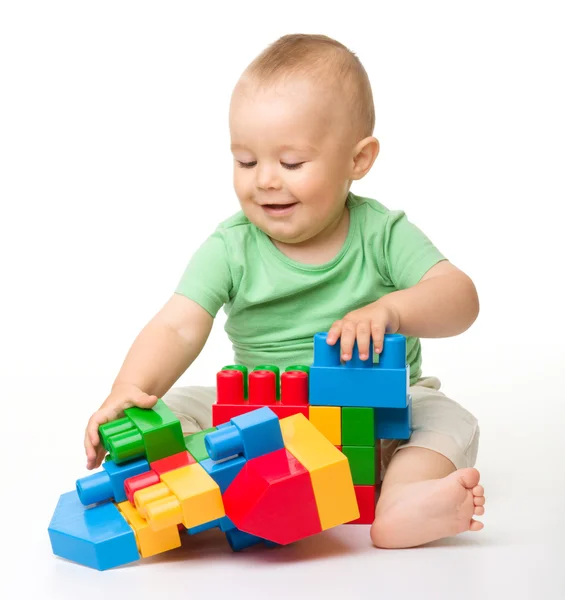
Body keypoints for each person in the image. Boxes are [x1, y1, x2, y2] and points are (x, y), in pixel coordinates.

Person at [83, 33, 485, 549]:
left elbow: (459, 298)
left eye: (292, 163)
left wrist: (392, 310)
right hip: (261, 421)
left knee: (445, 416)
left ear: (358, 160)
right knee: (175, 404)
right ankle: (195, 493)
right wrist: (128, 388)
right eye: (246, 161)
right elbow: (177, 323)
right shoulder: (231, 246)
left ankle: (403, 497)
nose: (265, 181)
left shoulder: (383, 233)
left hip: (378, 420)